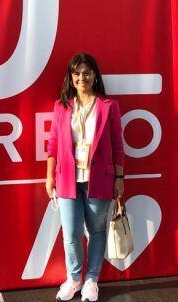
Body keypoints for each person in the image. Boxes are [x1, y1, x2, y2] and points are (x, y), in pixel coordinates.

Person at [46, 53, 125, 302]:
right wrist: (49, 177)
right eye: (77, 73)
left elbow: (117, 143)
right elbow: (53, 145)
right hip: (67, 179)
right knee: (70, 233)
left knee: (96, 230)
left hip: (99, 178)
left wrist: (120, 176)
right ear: (71, 77)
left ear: (95, 76)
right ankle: (74, 278)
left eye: (87, 72)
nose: (82, 77)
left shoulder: (108, 106)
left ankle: (92, 280)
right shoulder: (62, 107)